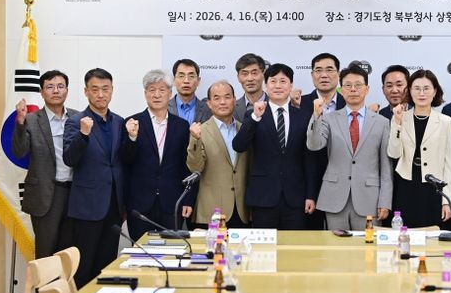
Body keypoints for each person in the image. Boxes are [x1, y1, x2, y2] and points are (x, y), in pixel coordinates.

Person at [307, 65, 392, 230]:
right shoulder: (329, 119)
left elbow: (386, 166)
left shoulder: (381, 122)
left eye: (358, 85)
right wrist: (316, 116)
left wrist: (385, 201)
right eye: (348, 85)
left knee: (367, 245)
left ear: (367, 89)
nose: (353, 89)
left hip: (370, 198)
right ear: (341, 89)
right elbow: (314, 145)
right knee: (335, 245)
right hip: (335, 197)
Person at [232, 63, 315, 229]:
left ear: (291, 85)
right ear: (266, 85)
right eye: (273, 81)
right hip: (263, 197)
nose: (278, 86)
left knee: (294, 244)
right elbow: (239, 146)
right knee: (264, 244)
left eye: (283, 81)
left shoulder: (304, 116)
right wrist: (255, 117)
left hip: (295, 198)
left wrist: (310, 195)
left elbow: (309, 159)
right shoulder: (253, 114)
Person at [63, 68, 124, 288]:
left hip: (114, 206)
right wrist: (83, 135)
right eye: (95, 89)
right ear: (86, 91)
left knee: (107, 266)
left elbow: (120, 162)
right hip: (88, 207)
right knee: (84, 267)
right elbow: (70, 159)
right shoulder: (75, 121)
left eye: (105, 89)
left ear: (112, 90)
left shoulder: (119, 122)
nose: (100, 94)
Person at [120, 70, 193, 241]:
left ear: (170, 93)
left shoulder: (181, 126)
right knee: (141, 251)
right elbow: (125, 162)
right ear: (145, 94)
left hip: (172, 202)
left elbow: (187, 166)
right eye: (152, 90)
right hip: (140, 204)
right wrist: (132, 138)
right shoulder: (132, 122)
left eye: (162, 90)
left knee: (172, 250)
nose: (157, 95)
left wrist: (188, 199)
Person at [12, 70, 77, 259]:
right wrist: (20, 122)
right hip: (46, 194)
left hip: (75, 193)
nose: (56, 91)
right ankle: (44, 281)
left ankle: (66, 282)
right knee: (46, 253)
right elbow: (19, 152)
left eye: (60, 86)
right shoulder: (31, 119)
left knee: (69, 254)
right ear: (41, 92)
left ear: (67, 91)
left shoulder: (78, 117)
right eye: (50, 87)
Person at [387, 70, 451, 228]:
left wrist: (447, 201)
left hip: (434, 187)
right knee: (405, 233)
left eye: (426, 88)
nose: (421, 93)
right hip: (406, 184)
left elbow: (449, 164)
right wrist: (397, 123)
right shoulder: (400, 117)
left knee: (432, 235)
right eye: (416, 88)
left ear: (435, 91)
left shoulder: (445, 121)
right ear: (409, 91)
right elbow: (394, 153)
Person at [187, 80, 250, 229]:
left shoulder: (245, 130)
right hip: (212, 211)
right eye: (216, 98)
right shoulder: (200, 131)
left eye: (227, 97)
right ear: (209, 103)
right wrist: (195, 139)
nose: (222, 102)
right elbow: (195, 167)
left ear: (234, 100)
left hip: (242, 210)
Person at [298, 52, 346, 229]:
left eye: (329, 70)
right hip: (308, 183)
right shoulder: (299, 104)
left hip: (343, 182)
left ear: (338, 74)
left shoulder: (349, 104)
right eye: (318, 70)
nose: (324, 75)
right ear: (312, 75)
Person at [168, 58, 211, 124]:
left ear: (198, 81)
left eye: (191, 76)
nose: (186, 81)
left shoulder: (208, 109)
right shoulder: (163, 108)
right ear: (174, 80)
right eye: (181, 76)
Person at [234, 53, 267, 122]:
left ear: (263, 74)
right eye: (245, 74)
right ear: (238, 77)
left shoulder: (276, 104)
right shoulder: (232, 108)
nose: (250, 79)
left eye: (254, 73)